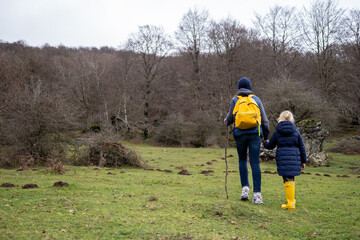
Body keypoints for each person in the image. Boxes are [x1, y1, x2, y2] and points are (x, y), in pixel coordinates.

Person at [224, 77, 270, 204]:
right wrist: (266, 136)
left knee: (242, 160)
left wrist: (225, 122)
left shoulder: (235, 100)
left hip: (240, 135)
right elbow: (265, 121)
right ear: (250, 87)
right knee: (255, 163)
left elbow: (229, 119)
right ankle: (257, 195)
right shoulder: (256, 100)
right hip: (255, 134)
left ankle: (245, 189)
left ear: (239, 88)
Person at [263, 110, 307, 210]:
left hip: (282, 157)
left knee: (287, 179)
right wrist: (303, 161)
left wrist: (265, 142)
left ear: (280, 118)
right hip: (294, 157)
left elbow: (270, 146)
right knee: (290, 178)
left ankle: (290, 203)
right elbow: (302, 147)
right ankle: (291, 199)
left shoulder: (278, 131)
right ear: (291, 119)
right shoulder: (295, 131)